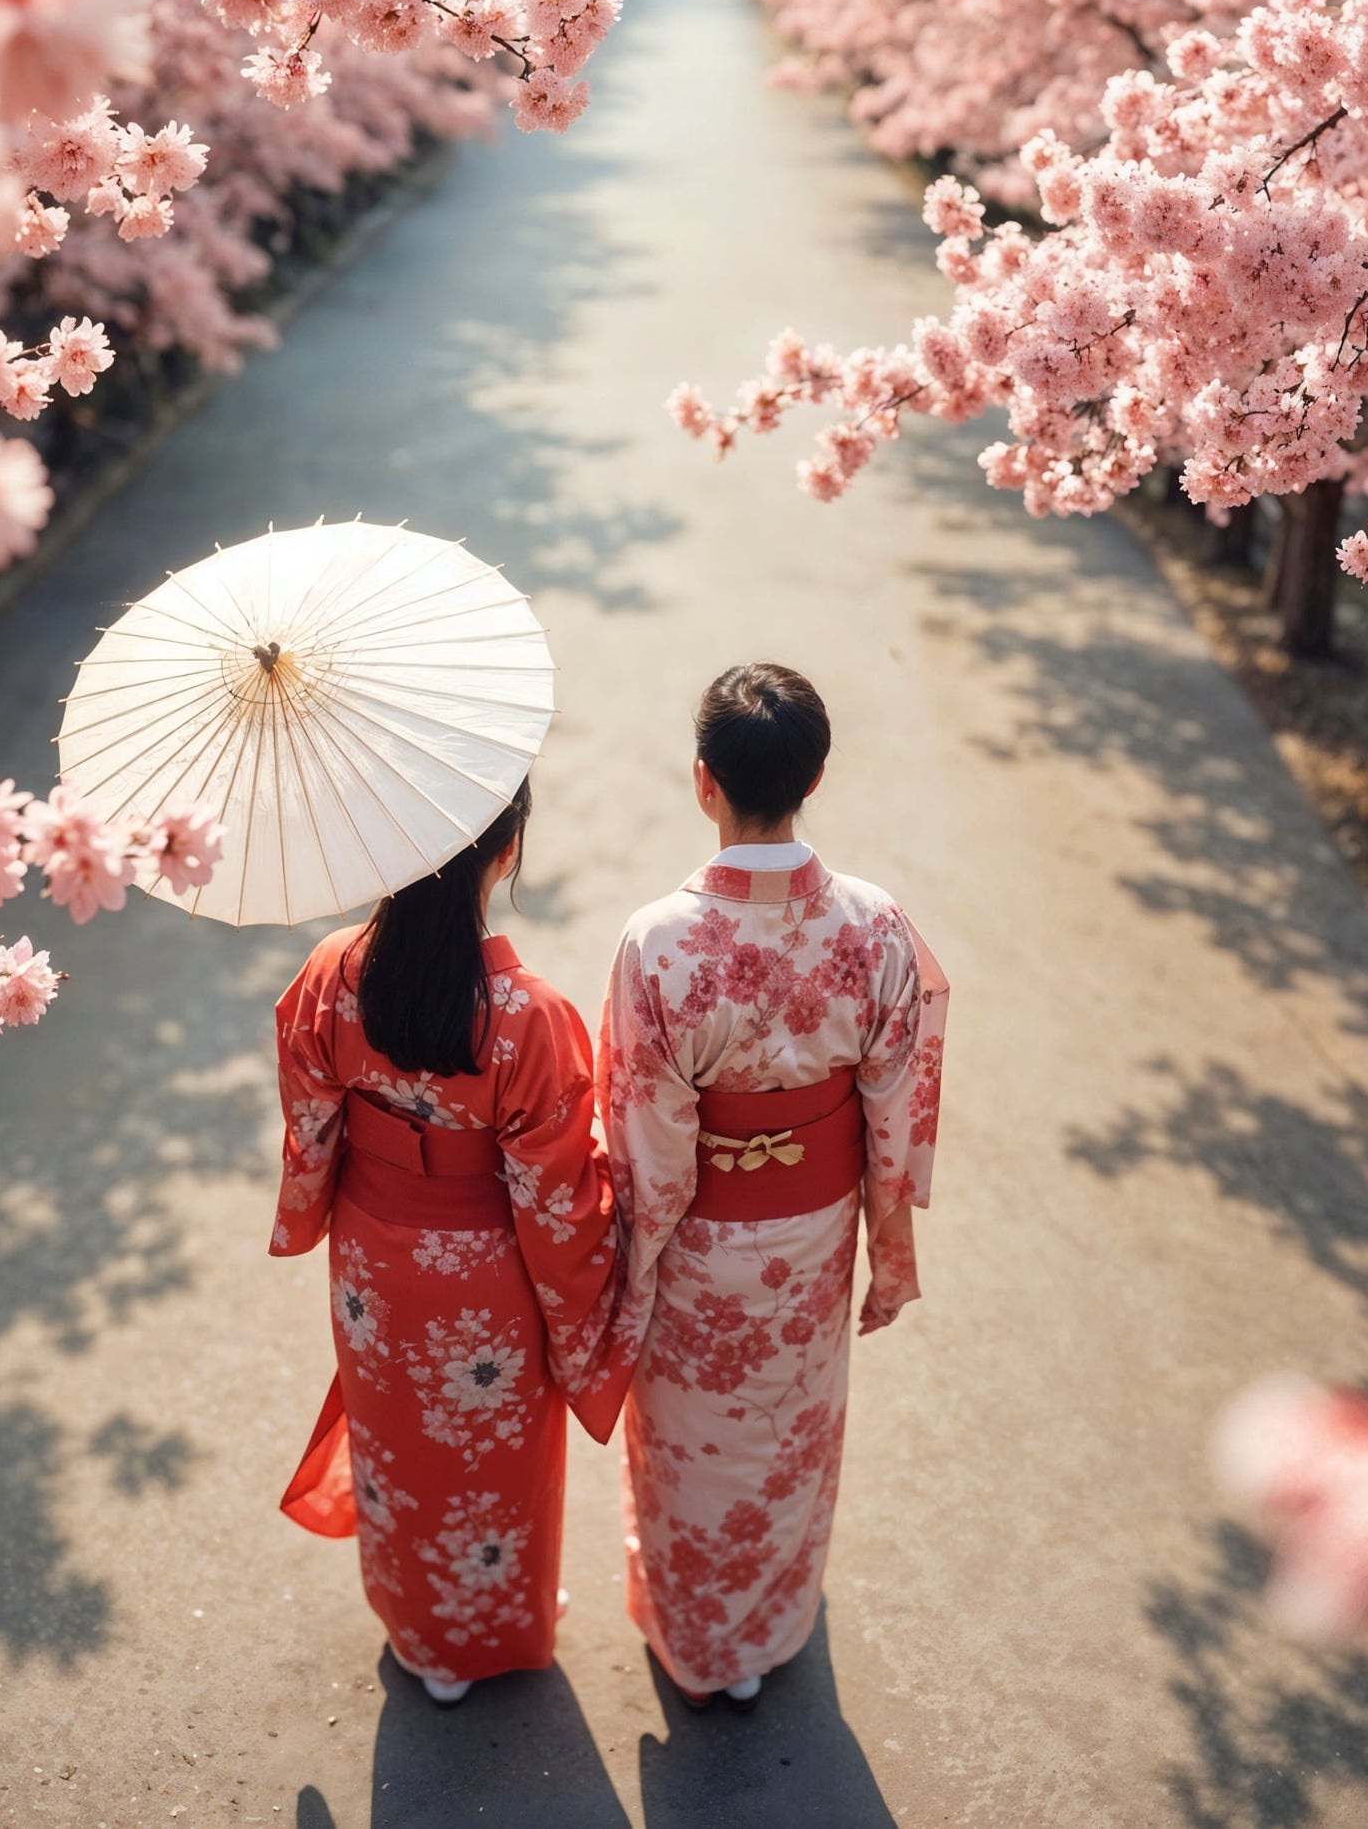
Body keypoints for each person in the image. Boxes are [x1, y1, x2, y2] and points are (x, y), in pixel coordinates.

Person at [598, 664, 950, 1705]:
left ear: (701, 781)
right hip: (813, 1232)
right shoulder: (877, 926)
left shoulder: (658, 942)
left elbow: (643, 1138)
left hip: (698, 1238)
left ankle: (697, 1638)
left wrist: (634, 1253)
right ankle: (768, 1623)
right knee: (785, 1434)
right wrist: (887, 1231)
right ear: (818, 775)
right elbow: (901, 1106)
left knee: (698, 1442)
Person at [270, 778, 631, 1704]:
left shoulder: (331, 972)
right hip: (489, 1277)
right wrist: (600, 1283)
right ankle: (491, 1628)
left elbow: (311, 1126)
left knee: (398, 1443)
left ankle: (417, 1628)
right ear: (505, 849)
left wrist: (314, 1206)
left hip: (373, 1264)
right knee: (489, 1459)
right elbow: (559, 1202)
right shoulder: (529, 1016)